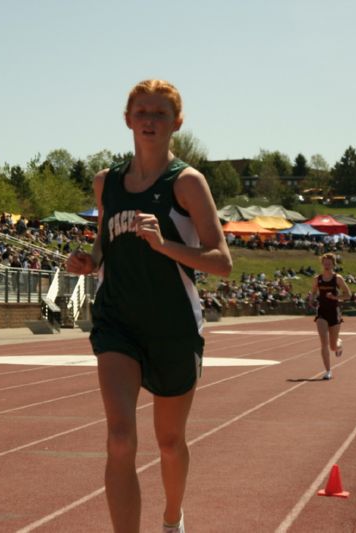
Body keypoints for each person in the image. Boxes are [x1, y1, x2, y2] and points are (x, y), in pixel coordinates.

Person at [65, 79, 232, 533]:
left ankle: (172, 517)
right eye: (142, 112)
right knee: (120, 440)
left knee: (170, 442)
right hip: (118, 322)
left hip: (174, 326)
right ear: (127, 119)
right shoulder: (107, 183)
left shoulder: (187, 183)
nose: (150, 120)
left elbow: (222, 262)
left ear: (177, 123)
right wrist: (88, 260)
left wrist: (165, 245)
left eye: (160, 113)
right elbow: (104, 242)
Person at [309, 252, 351, 380]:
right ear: (322, 264)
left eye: (329, 263)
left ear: (333, 264)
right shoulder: (318, 278)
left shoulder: (337, 278)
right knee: (324, 343)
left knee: (333, 346)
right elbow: (314, 291)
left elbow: (348, 294)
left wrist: (335, 297)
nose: (327, 265)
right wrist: (311, 299)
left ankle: (339, 344)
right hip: (322, 312)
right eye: (325, 263)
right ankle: (328, 371)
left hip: (334, 311)